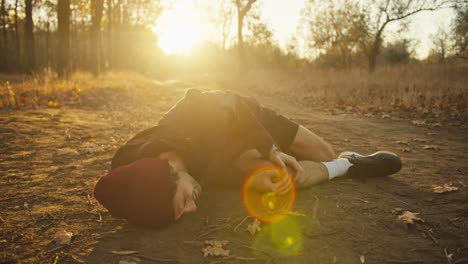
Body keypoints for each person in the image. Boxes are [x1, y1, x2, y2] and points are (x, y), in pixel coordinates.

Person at [93, 89, 402, 227]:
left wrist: (270, 148)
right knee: (280, 178)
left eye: (183, 201)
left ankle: (329, 157)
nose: (194, 207)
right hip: (219, 157)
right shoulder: (133, 180)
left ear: (172, 170)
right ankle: (347, 164)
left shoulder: (190, 116)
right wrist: (260, 172)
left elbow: (235, 105)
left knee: (321, 150)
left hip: (245, 120)